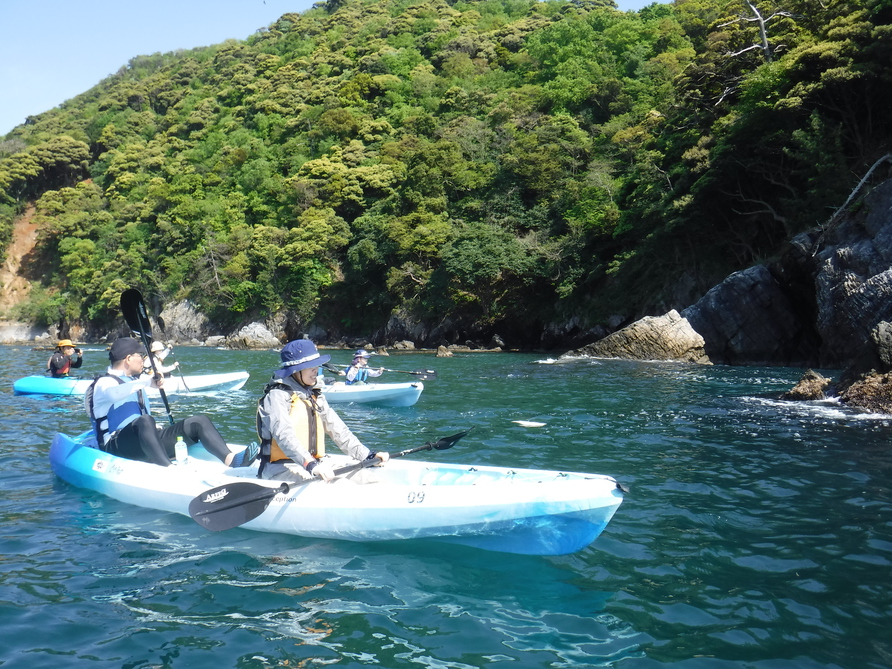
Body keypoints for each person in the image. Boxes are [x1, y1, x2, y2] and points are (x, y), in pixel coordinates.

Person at [85, 337, 259, 468]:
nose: (144, 359)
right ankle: (168, 469)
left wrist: (154, 380)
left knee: (198, 421)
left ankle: (231, 460)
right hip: (115, 446)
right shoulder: (104, 383)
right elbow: (114, 394)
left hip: (146, 441)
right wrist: (146, 382)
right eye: (141, 355)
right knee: (145, 422)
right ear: (129, 358)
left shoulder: (136, 381)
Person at [256, 339, 389, 482]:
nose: (316, 369)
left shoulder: (314, 394)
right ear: (295, 369)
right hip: (281, 468)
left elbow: (337, 429)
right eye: (310, 366)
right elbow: (284, 435)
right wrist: (310, 464)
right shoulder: (277, 396)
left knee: (368, 479)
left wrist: (366, 455)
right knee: (341, 486)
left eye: (317, 364)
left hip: (315, 463)